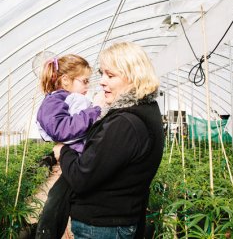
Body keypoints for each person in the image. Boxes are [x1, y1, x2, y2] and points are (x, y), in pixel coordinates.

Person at [53, 41, 165, 239]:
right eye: (102, 73)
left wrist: (63, 151)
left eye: (110, 75)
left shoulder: (125, 123)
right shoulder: (145, 111)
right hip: (114, 222)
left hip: (102, 227)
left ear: (134, 78)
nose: (102, 81)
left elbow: (81, 177)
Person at [35, 54, 104, 239]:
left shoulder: (65, 100)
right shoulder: (54, 101)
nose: (87, 86)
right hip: (74, 161)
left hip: (77, 161)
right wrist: (94, 111)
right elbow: (62, 129)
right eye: (84, 81)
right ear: (65, 80)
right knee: (56, 202)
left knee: (61, 197)